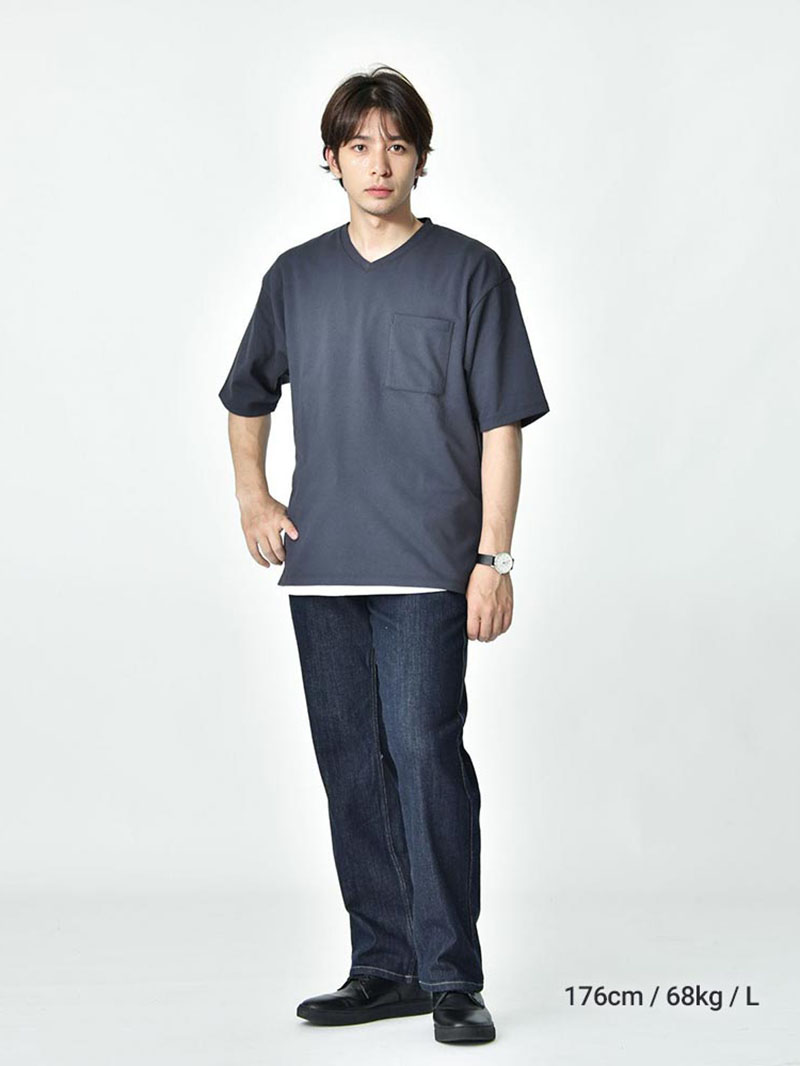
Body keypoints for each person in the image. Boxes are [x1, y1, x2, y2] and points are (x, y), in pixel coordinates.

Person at [218, 65, 550, 1045]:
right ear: (330, 158)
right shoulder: (295, 277)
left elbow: (500, 424)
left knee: (424, 754)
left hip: (428, 566)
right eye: (359, 145)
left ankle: (451, 976)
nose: (378, 163)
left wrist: (494, 559)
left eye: (396, 145)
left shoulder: (470, 273)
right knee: (350, 767)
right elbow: (246, 396)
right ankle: (382, 966)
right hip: (322, 565)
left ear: (419, 159)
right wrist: (253, 496)